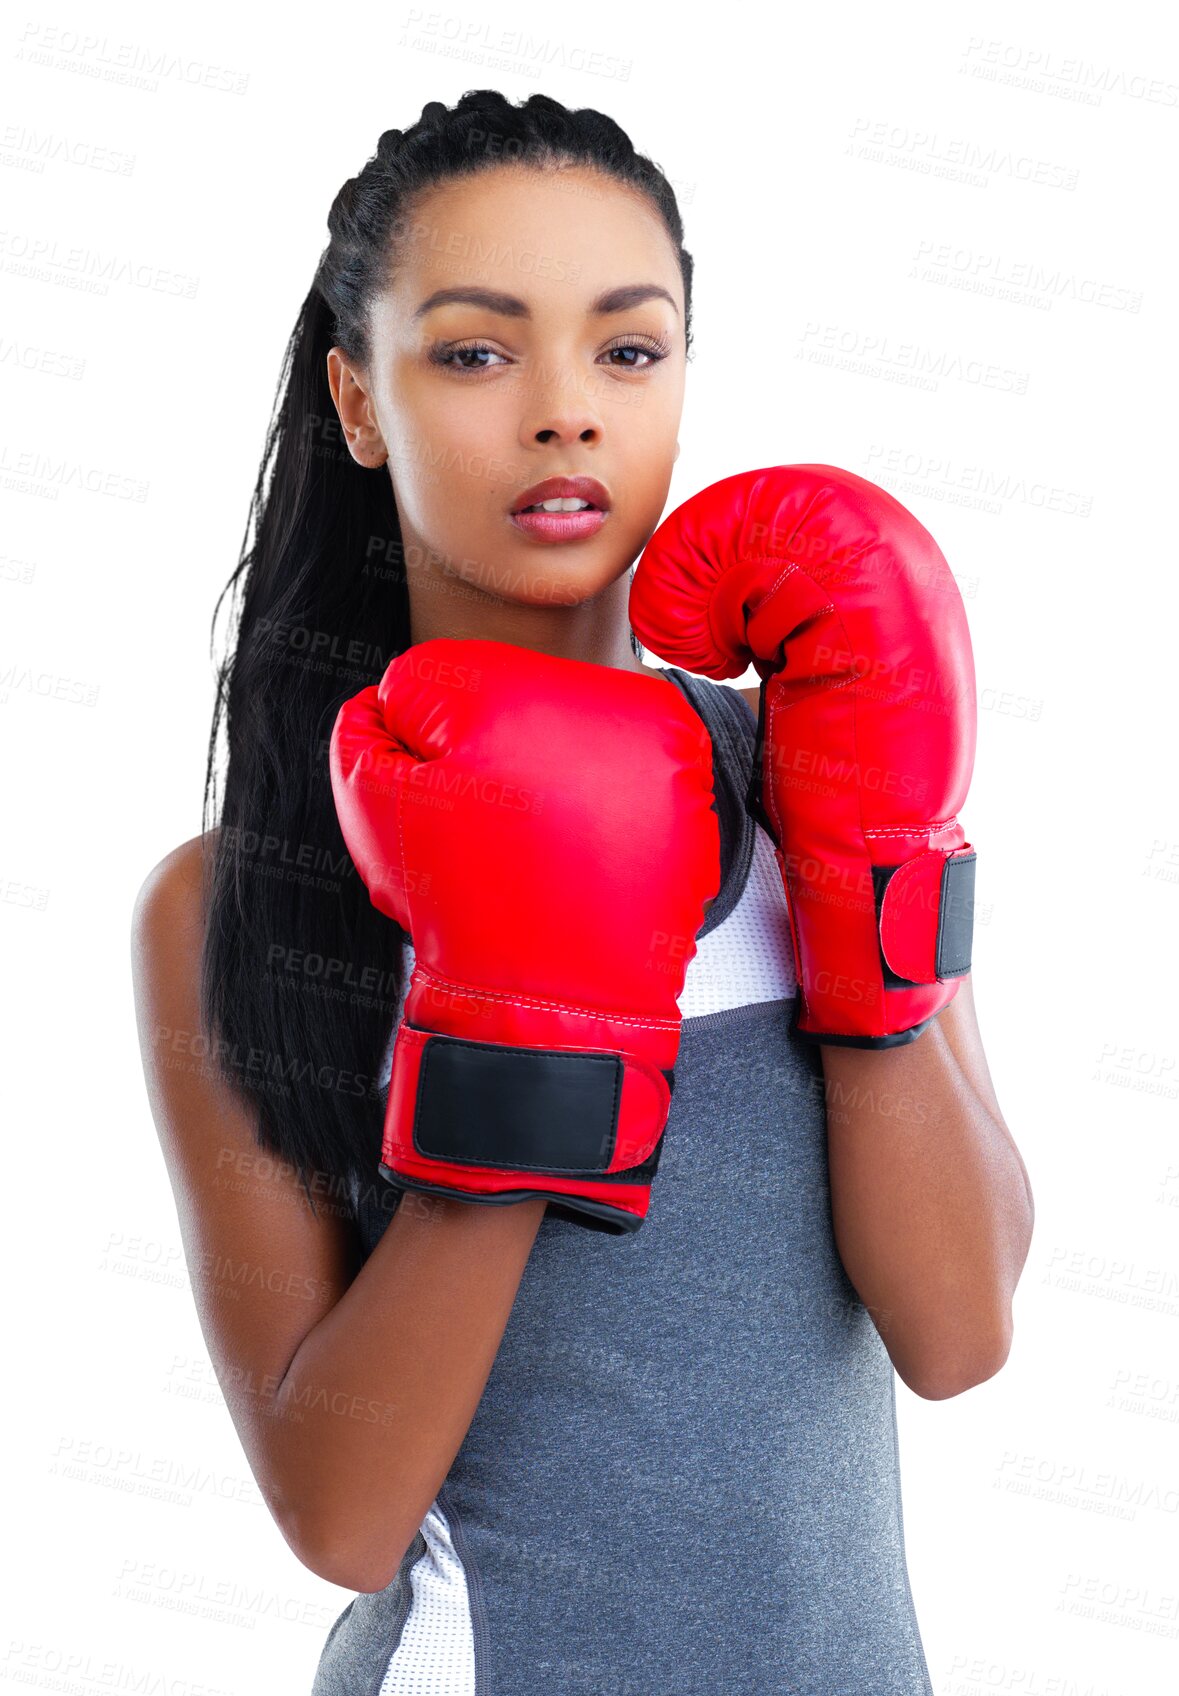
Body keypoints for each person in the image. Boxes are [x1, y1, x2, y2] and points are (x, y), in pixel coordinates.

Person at [129, 90, 1035, 1695]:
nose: (566, 412)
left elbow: (956, 1336)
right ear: (358, 399)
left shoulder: (816, 769)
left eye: (629, 350)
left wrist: (868, 894)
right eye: (477, 351)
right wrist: (530, 1019)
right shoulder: (242, 894)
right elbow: (339, 1517)